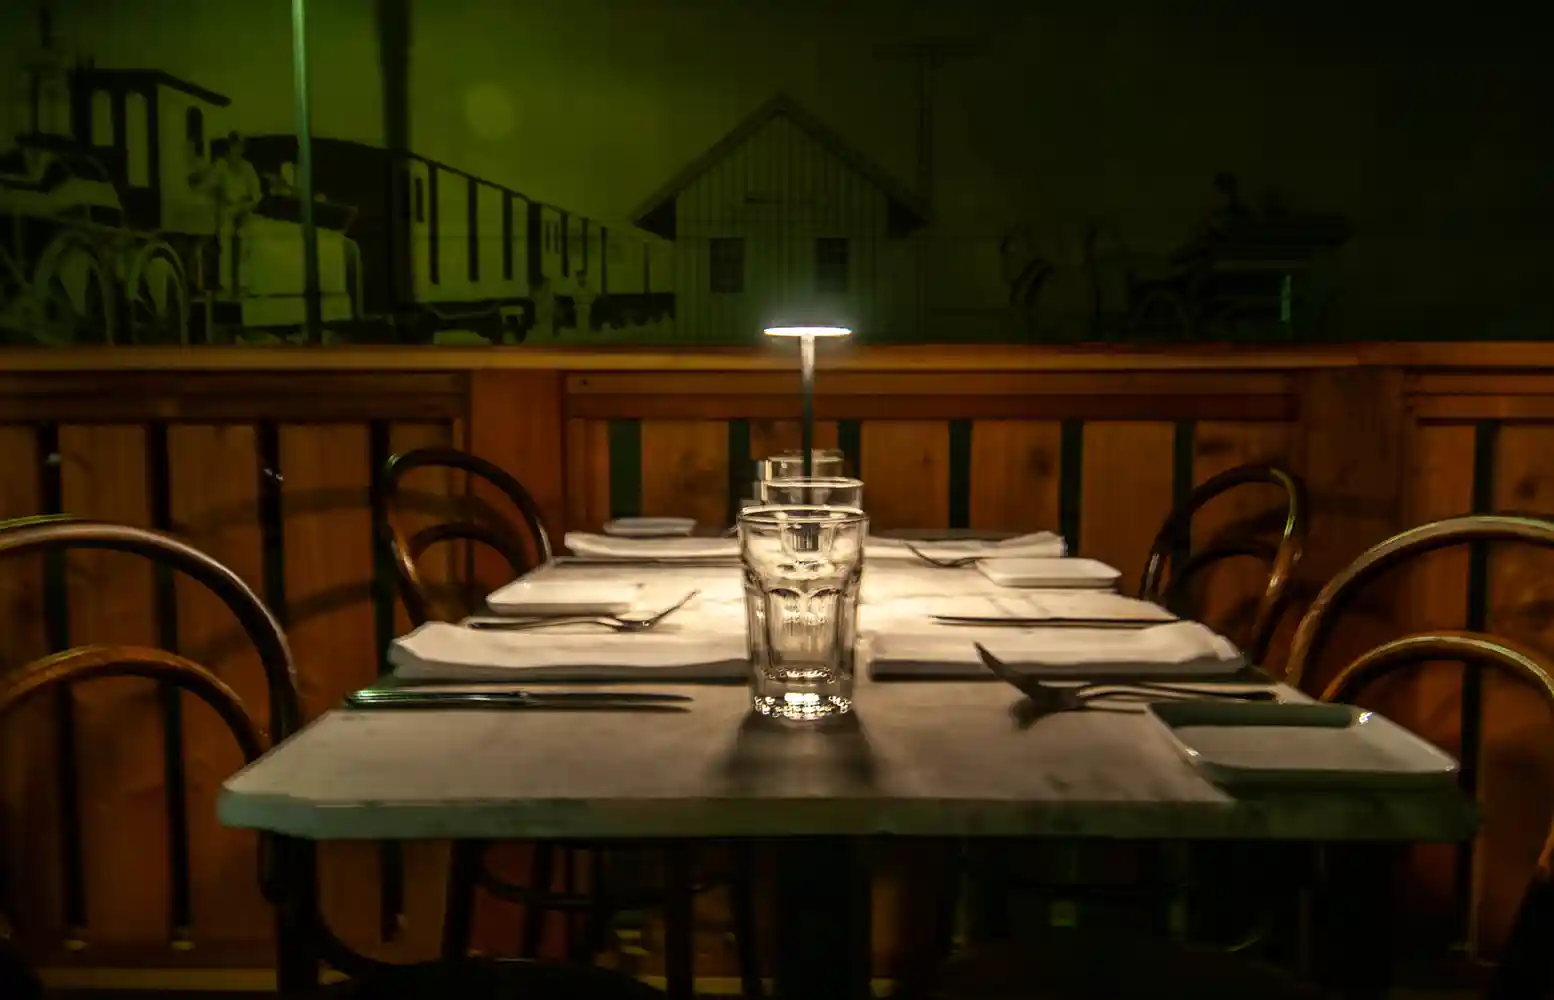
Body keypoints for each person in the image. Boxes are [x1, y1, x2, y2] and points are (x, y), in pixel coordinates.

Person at [189, 131, 262, 292]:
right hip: (226, 211)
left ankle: (241, 283)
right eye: (233, 146)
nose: (236, 149)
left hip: (243, 211)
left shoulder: (247, 168)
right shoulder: (221, 166)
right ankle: (227, 283)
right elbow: (209, 185)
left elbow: (256, 192)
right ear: (229, 147)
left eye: (239, 146)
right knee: (226, 246)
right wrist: (196, 187)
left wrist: (247, 205)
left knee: (243, 248)